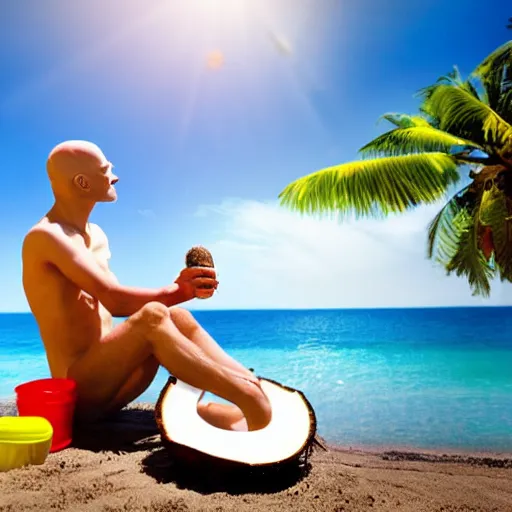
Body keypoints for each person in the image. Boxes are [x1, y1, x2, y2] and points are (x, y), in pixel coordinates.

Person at [22, 140, 272, 432]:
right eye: (106, 170)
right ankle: (250, 398)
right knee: (154, 315)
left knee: (176, 317)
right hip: (77, 395)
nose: (114, 176)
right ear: (82, 182)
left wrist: (180, 295)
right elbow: (114, 301)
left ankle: (253, 384)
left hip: (112, 381)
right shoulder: (47, 237)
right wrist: (178, 292)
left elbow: (115, 304)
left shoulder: (97, 235)